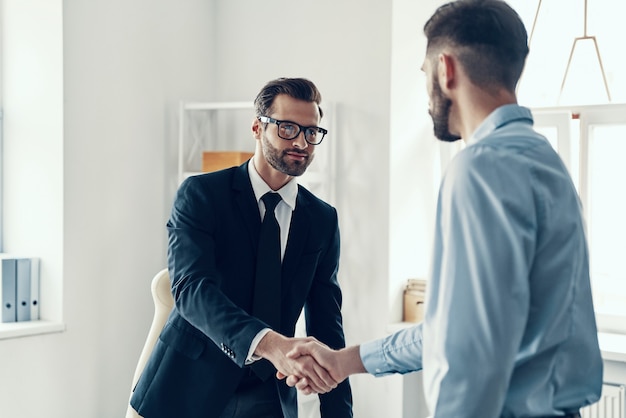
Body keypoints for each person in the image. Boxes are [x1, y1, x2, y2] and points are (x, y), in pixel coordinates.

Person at [282, 1, 604, 417]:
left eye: (424, 73)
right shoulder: (547, 163)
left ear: (445, 70)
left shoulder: (481, 168)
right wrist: (346, 361)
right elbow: (455, 330)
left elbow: (471, 354)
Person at [130, 77, 353, 418]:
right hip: (186, 386)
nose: (302, 143)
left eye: (311, 132)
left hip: (269, 393)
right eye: (288, 128)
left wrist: (339, 413)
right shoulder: (201, 195)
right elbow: (192, 290)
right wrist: (270, 344)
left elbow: (327, 322)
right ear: (257, 128)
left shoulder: (322, 219)